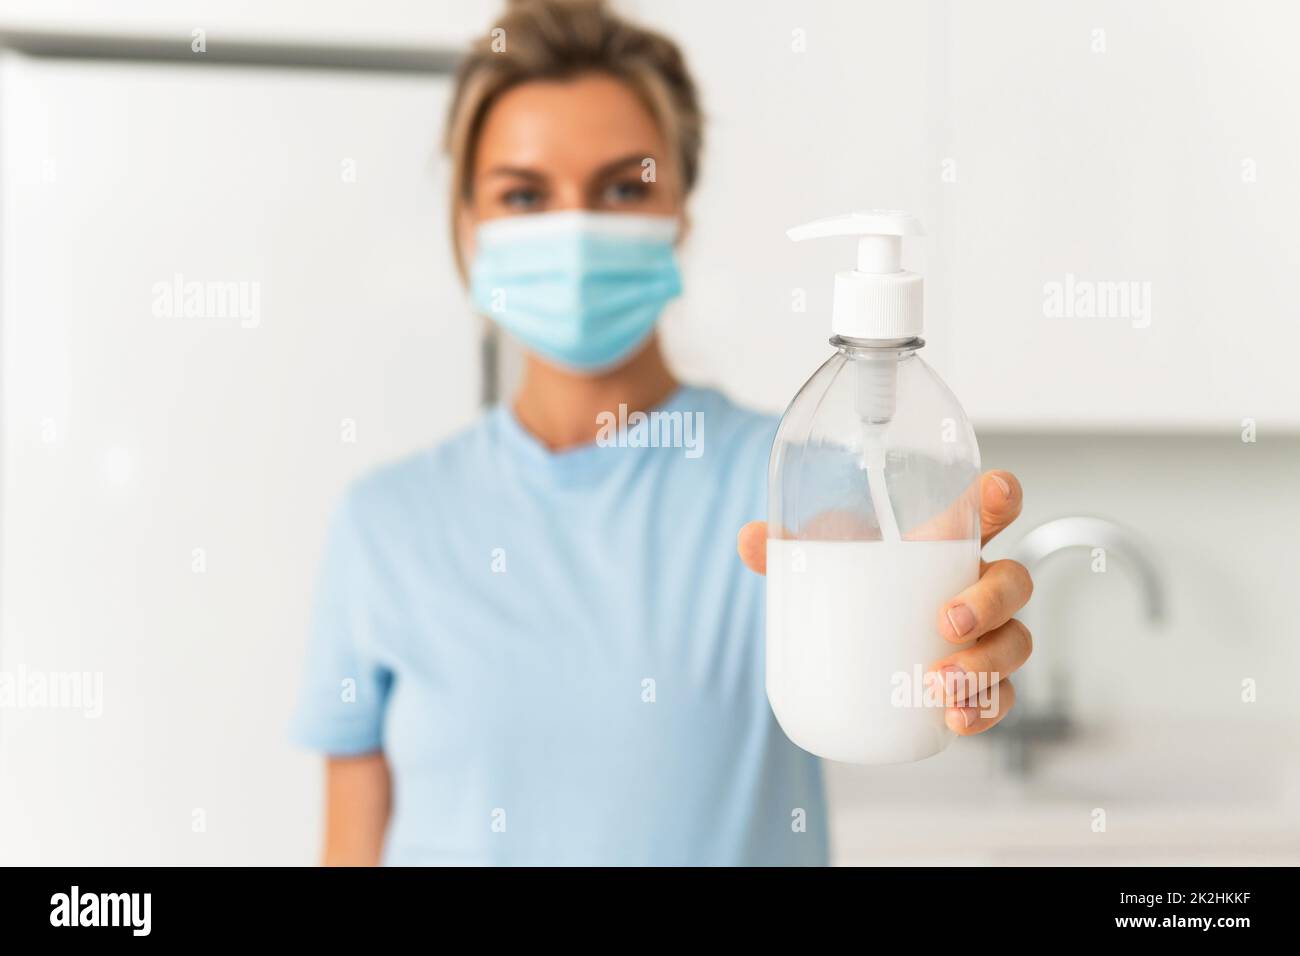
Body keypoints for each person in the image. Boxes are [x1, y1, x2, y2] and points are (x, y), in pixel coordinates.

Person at [290, 0, 1034, 866]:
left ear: (680, 209)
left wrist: (953, 643)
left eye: (623, 186)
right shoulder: (386, 526)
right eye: (523, 194)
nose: (573, 228)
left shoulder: (794, 480)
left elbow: (894, 660)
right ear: (467, 225)